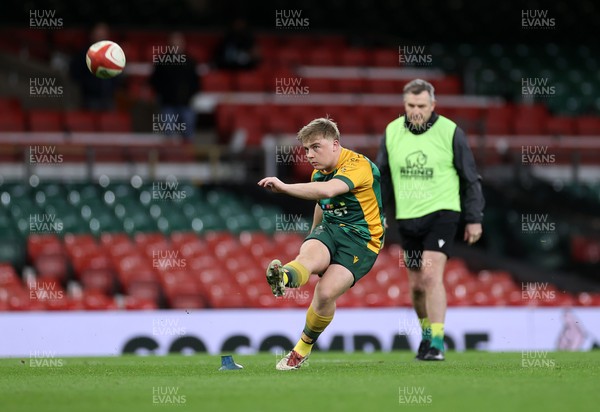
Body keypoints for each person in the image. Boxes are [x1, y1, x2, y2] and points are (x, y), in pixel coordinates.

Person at [258, 117, 385, 370]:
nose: (310, 155)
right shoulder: (320, 173)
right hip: (331, 229)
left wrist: (284, 187)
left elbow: (327, 192)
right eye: (306, 150)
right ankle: (282, 278)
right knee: (308, 257)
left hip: (362, 241)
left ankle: (301, 349)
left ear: (335, 144)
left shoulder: (358, 165)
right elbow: (321, 203)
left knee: (325, 293)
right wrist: (314, 236)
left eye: (316, 147)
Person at [377, 79, 485, 361]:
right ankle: (426, 336)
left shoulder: (450, 132)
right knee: (415, 288)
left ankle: (437, 343)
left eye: (421, 106)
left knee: (429, 275)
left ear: (433, 105)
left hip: (442, 213)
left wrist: (474, 218)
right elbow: (383, 179)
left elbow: (470, 177)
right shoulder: (391, 132)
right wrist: (379, 213)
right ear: (404, 105)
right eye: (410, 105)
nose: (415, 111)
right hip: (406, 217)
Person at [149, 32, 199, 142]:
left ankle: (187, 156)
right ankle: (169, 157)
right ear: (169, 43)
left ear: (183, 43)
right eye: (173, 41)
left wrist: (188, 95)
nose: (176, 44)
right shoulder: (161, 62)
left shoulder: (190, 62)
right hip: (167, 104)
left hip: (186, 104)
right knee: (168, 134)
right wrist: (163, 94)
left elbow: (196, 83)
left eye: (178, 41)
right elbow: (154, 81)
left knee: (188, 133)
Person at [69, 22, 121, 110]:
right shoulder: (83, 55)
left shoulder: (114, 53)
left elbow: (117, 73)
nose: (101, 36)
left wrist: (113, 87)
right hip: (90, 99)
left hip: (109, 98)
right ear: (92, 35)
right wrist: (89, 85)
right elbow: (75, 75)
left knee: (112, 122)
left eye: (103, 33)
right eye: (98, 34)